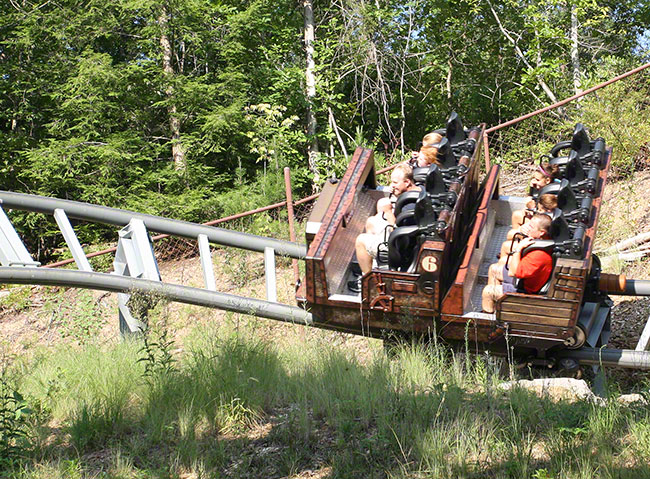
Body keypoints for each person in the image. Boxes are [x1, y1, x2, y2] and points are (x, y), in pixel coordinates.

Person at [353, 164, 419, 282]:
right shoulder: (418, 190)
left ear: (407, 182)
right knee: (371, 222)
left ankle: (368, 281)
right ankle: (372, 265)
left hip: (402, 247)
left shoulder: (409, 207)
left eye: (395, 183)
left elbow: (397, 234)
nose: (392, 186)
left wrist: (388, 213)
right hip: (404, 237)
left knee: (360, 240)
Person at [482, 213, 553, 313]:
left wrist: (518, 249)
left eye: (531, 226)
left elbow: (513, 272)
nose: (527, 228)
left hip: (525, 290)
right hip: (523, 278)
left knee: (488, 291)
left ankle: (490, 318)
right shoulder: (543, 239)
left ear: (541, 232)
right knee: (493, 269)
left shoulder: (539, 255)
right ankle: (498, 306)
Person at [511, 162, 561, 229]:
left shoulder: (551, 193)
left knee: (513, 230)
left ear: (547, 180)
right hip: (542, 218)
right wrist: (531, 190)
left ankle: (518, 236)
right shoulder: (551, 185)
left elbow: (545, 213)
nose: (534, 181)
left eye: (537, 180)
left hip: (546, 225)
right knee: (517, 215)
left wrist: (532, 209)